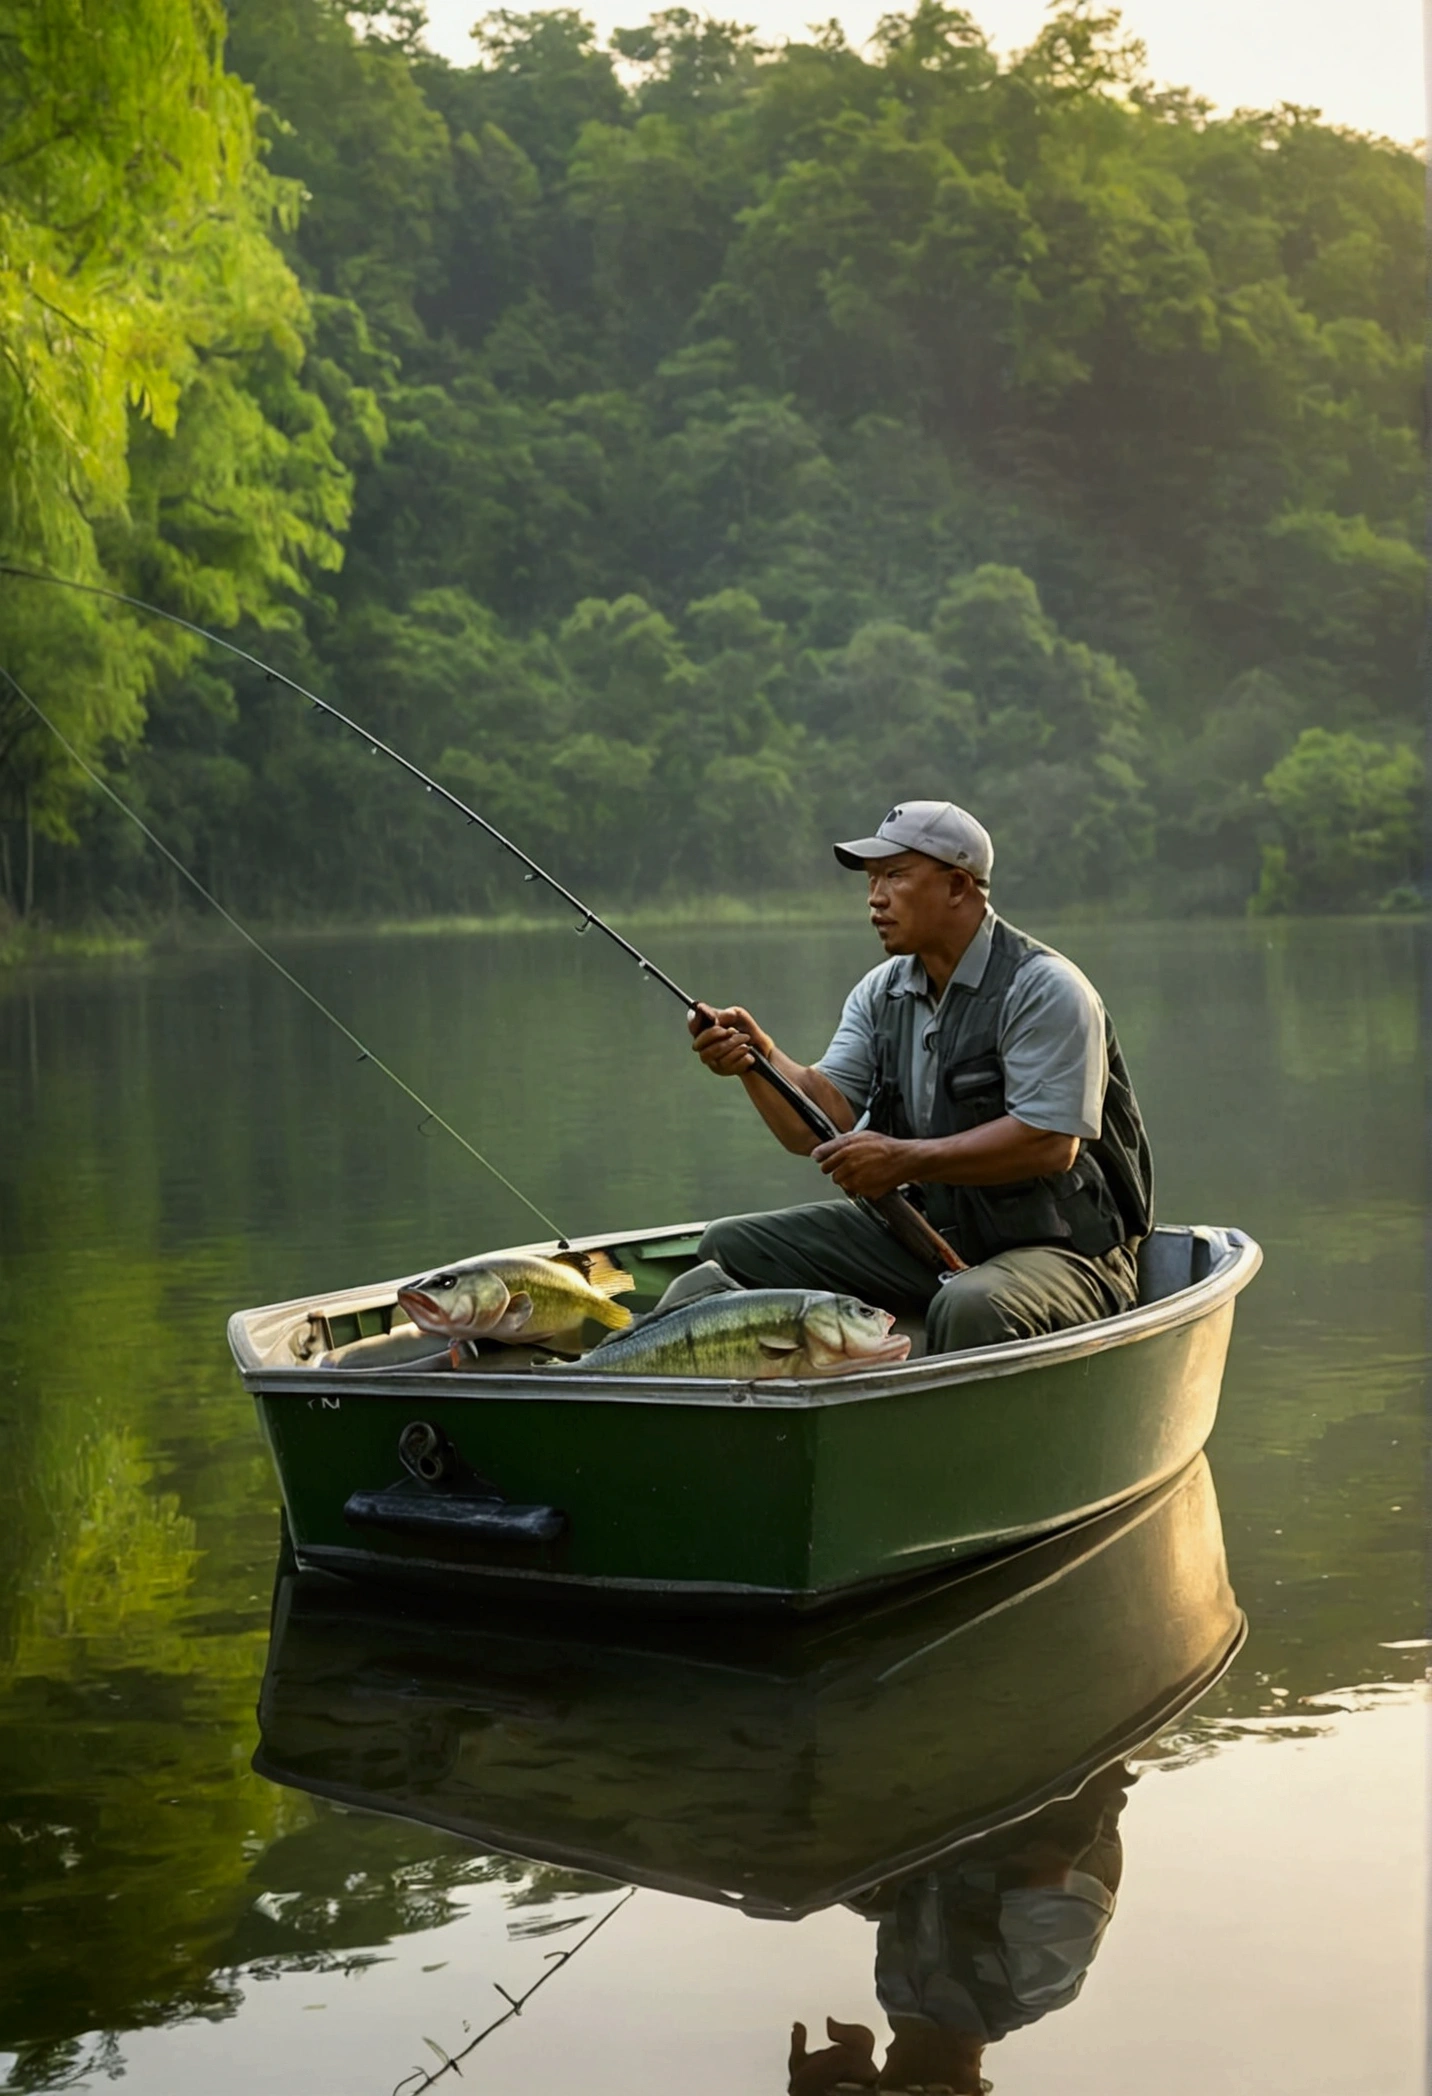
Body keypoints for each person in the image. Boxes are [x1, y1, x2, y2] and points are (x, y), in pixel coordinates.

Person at [688, 800, 1153, 1352]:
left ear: (957, 886)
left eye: (894, 876)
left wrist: (903, 1160)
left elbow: (1050, 1143)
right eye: (870, 880)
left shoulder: (1047, 989)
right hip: (931, 1242)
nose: (874, 898)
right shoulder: (881, 991)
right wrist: (755, 1061)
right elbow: (817, 1120)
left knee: (970, 1303)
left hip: (1068, 1253)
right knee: (731, 1248)